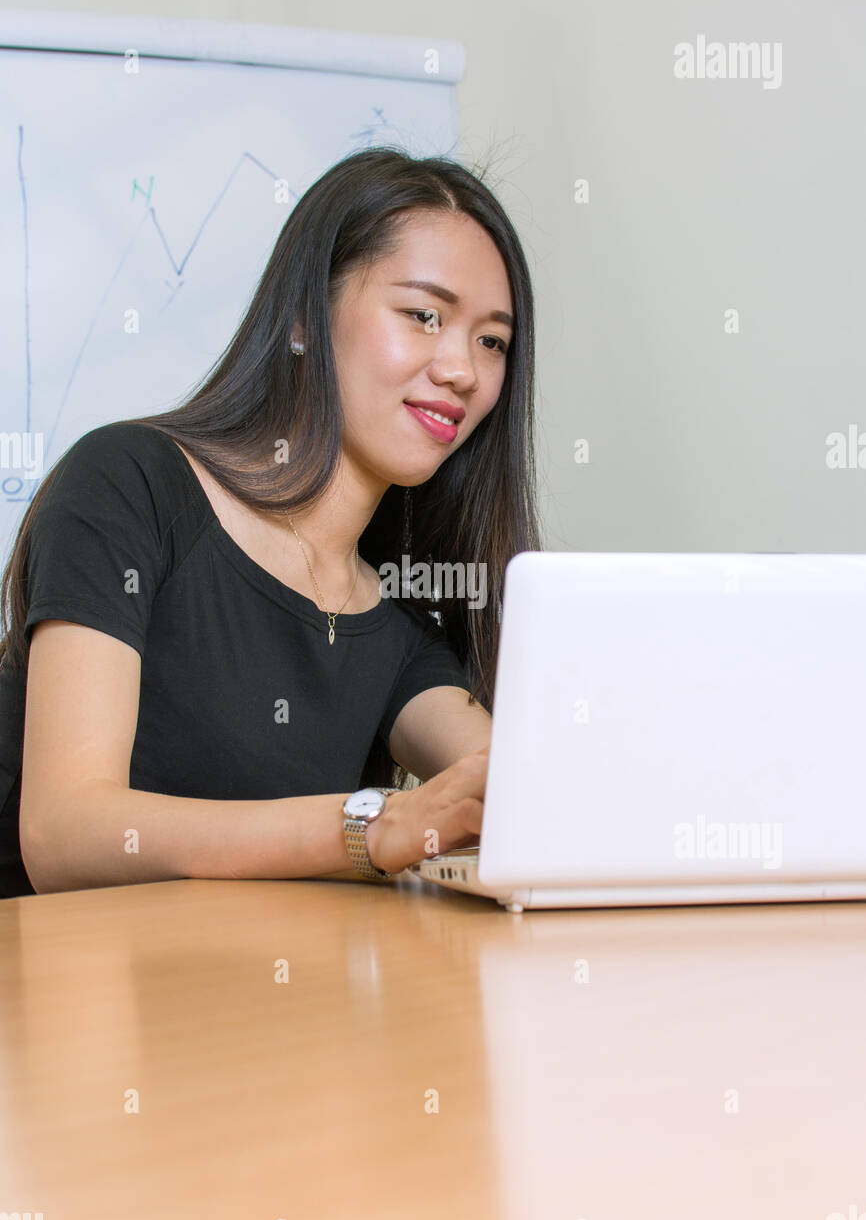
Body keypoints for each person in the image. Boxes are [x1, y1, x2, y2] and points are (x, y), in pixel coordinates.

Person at [0, 146, 541, 898]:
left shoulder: (396, 624)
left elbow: (526, 794)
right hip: (67, 1000)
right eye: (423, 315)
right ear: (302, 320)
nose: (463, 369)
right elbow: (65, 833)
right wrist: (371, 826)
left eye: (493, 341)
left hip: (259, 1007)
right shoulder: (128, 484)